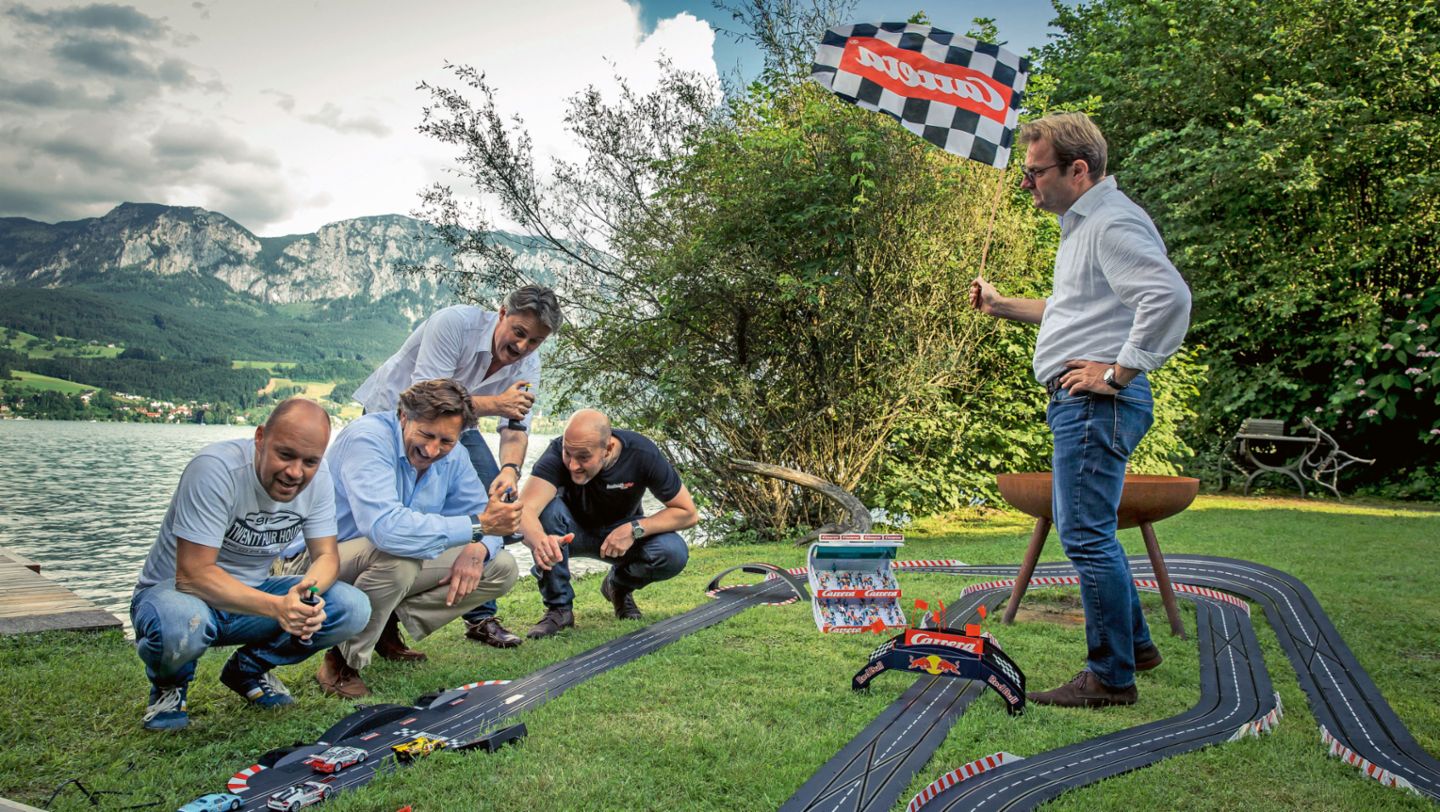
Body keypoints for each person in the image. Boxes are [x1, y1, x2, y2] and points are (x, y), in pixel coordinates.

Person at [969, 112, 1191, 708]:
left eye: (1034, 172)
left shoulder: (1112, 223)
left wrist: (1118, 373)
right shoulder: (1081, 228)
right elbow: (1072, 311)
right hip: (1084, 403)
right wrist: (999, 305)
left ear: (1078, 168)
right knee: (1088, 531)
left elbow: (1168, 296)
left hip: (1095, 403)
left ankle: (1111, 678)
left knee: (1087, 536)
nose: (1025, 184)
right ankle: (1137, 646)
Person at [129, 398, 369, 731]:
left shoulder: (320, 479)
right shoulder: (215, 469)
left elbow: (327, 556)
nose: (295, 472)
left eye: (310, 461)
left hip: (251, 599)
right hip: (175, 595)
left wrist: (307, 590)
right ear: (260, 439)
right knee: (181, 620)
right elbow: (192, 575)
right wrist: (277, 607)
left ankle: (248, 670)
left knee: (352, 606)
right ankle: (170, 686)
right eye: (285, 455)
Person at [278, 379, 524, 699]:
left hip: (378, 561)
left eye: (446, 441)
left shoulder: (455, 454)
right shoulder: (367, 438)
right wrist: (478, 527)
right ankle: (341, 662)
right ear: (404, 417)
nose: (433, 450)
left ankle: (380, 626)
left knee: (501, 567)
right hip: (311, 562)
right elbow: (386, 530)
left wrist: (477, 547)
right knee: (398, 558)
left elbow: (482, 517)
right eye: (426, 435)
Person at [351, 286, 563, 648]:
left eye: (536, 341)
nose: (524, 347)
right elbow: (428, 400)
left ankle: (480, 616)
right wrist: (497, 403)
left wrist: (510, 469)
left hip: (460, 429)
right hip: (397, 420)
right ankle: (372, 614)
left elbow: (516, 427)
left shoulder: (529, 366)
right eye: (519, 333)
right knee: (401, 514)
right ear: (501, 314)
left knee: (492, 511)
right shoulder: (453, 325)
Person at [520, 409, 697, 638]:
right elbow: (524, 510)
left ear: (608, 449)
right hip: (569, 535)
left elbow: (687, 513)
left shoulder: (641, 453)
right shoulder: (556, 453)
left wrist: (634, 530)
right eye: (568, 453)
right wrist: (540, 542)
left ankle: (619, 587)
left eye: (584, 457)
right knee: (547, 512)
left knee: (673, 552)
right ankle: (559, 609)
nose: (573, 465)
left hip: (621, 536)